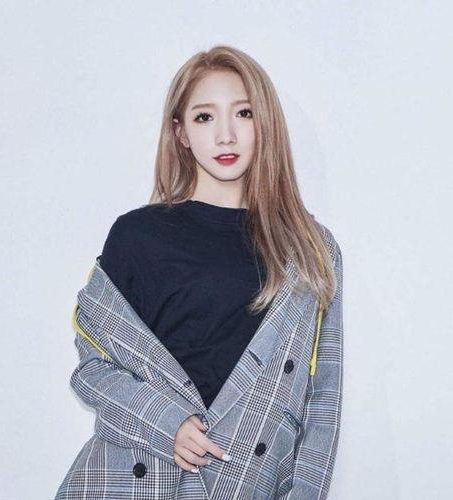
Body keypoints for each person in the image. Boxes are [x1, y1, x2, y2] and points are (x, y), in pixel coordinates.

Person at [55, 44, 343, 499]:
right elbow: (92, 369)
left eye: (244, 113)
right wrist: (165, 422)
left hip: (244, 482)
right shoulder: (137, 236)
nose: (226, 135)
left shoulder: (310, 250)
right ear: (182, 133)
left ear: (266, 124)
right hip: (132, 478)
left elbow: (321, 402)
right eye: (205, 117)